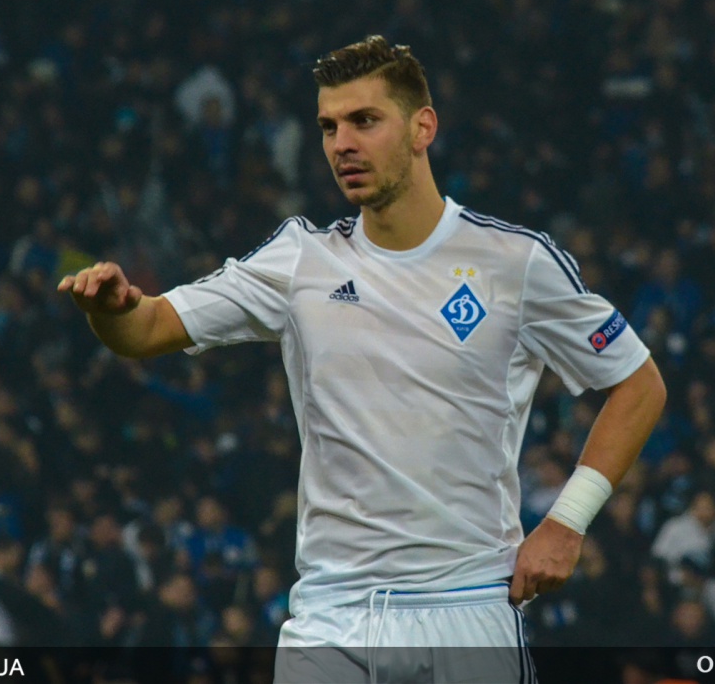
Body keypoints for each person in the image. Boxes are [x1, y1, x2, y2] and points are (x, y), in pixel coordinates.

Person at [59, 35, 666, 683]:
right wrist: (111, 310)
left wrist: (567, 522)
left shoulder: (515, 262)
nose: (341, 144)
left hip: (466, 606)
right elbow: (149, 328)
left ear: (422, 127)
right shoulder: (301, 261)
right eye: (329, 127)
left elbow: (639, 383)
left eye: (364, 121)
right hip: (331, 618)